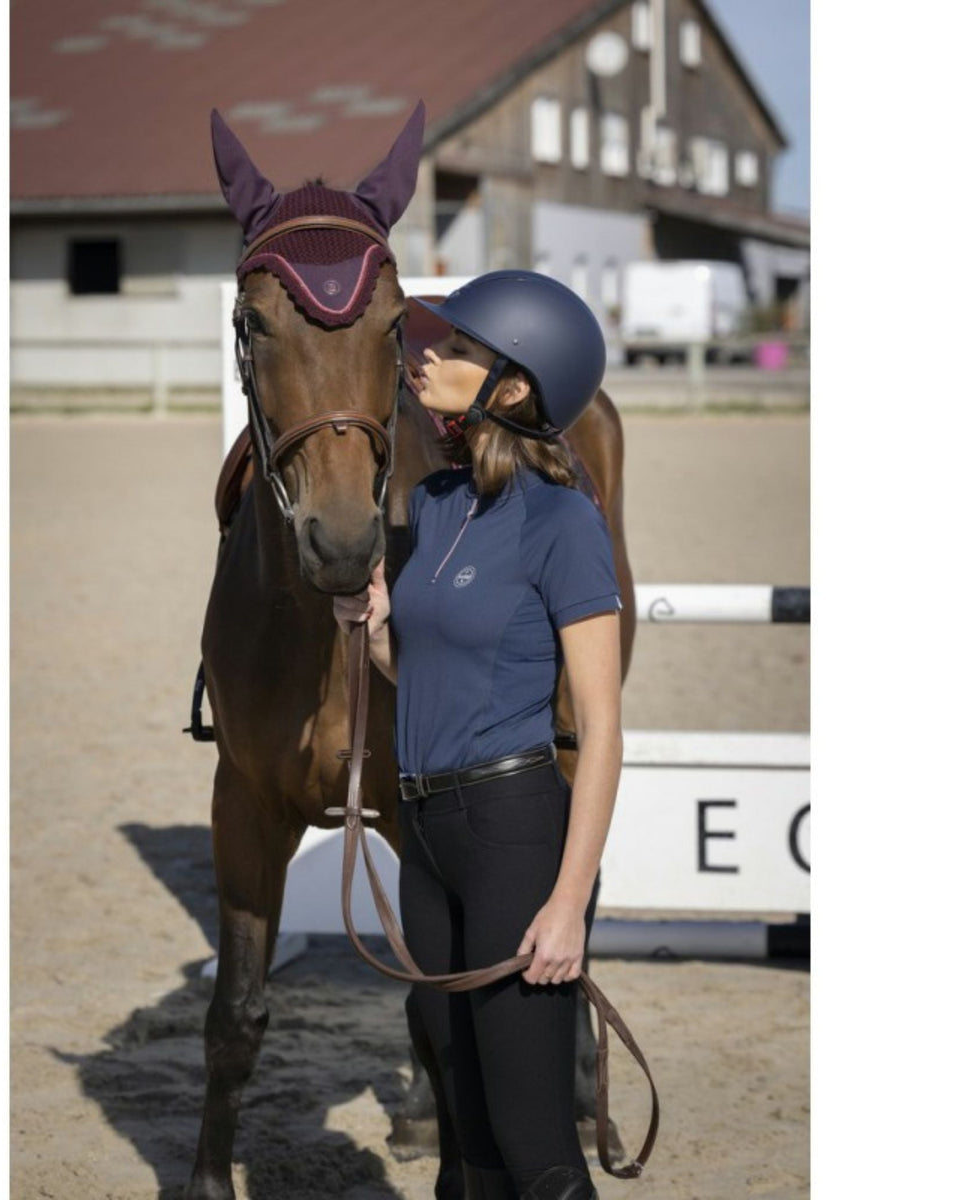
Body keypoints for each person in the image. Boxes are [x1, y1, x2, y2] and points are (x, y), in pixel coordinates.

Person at [334, 271, 623, 1200]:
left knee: (533, 1138)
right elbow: (424, 677)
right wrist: (378, 631)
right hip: (424, 834)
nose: (428, 353)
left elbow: (604, 729)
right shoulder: (438, 506)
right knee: (463, 1142)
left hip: (513, 830)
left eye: (456, 347)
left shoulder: (565, 519)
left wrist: (570, 902)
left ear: (512, 386)